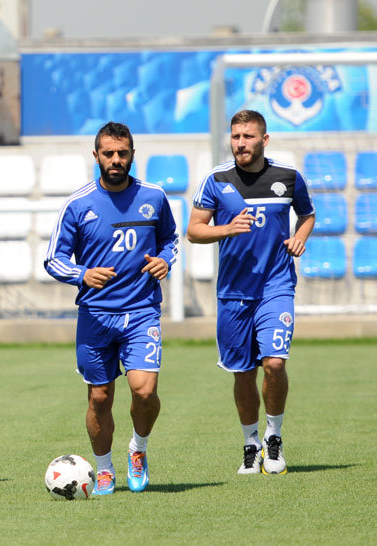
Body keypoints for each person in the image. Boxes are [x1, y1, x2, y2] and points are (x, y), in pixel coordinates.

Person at [45, 121, 178, 495]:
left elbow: (170, 240)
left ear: (133, 154)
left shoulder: (154, 196)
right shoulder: (78, 204)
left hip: (141, 311)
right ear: (96, 156)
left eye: (122, 153)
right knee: (100, 398)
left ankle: (138, 449)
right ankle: (103, 469)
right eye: (109, 154)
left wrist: (165, 260)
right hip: (96, 316)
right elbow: (53, 259)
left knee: (144, 391)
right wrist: (82, 274)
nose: (116, 160)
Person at [187, 109, 315, 475]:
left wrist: (299, 237)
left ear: (264, 140)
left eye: (248, 136)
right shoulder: (216, 179)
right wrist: (226, 229)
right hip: (233, 293)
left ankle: (274, 438)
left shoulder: (288, 177)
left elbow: (307, 215)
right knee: (242, 373)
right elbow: (194, 230)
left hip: (276, 286)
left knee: (274, 363)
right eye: (236, 136)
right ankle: (250, 443)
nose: (241, 143)